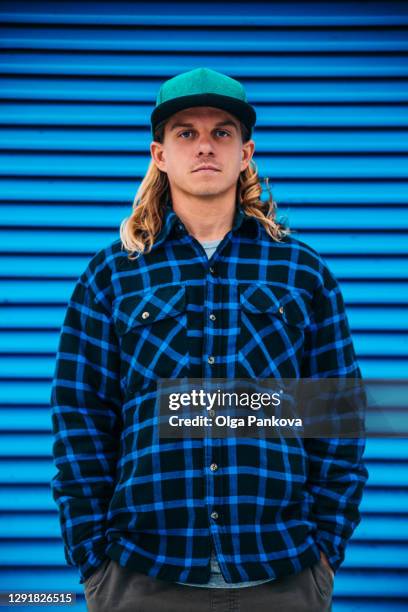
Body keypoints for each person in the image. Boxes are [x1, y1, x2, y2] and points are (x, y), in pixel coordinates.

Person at [50, 67, 368, 612]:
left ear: (246, 153)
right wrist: (94, 562)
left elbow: (338, 418)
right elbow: (81, 418)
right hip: (142, 575)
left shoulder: (303, 273)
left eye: (222, 132)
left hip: (282, 575)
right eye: (185, 133)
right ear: (160, 155)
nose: (205, 147)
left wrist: (323, 558)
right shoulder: (112, 276)